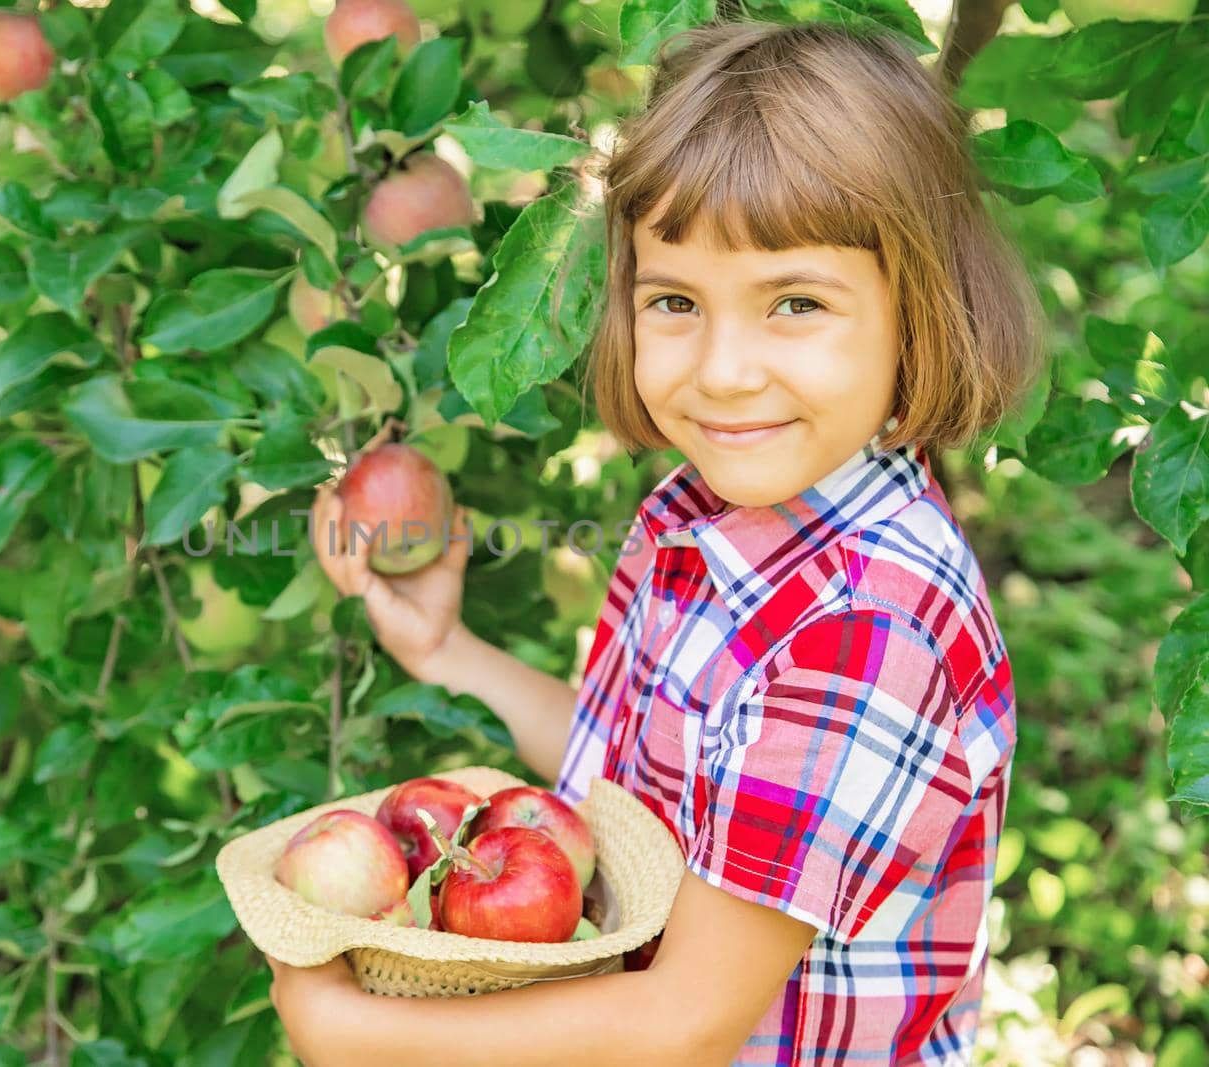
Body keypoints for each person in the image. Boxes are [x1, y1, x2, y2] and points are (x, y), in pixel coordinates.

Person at [266, 16, 1046, 1067]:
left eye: (796, 303)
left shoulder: (863, 626)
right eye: (676, 300)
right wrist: (444, 652)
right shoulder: (705, 516)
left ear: (921, 312)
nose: (722, 369)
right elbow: (634, 798)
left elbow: (684, 1022)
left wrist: (366, 1035)